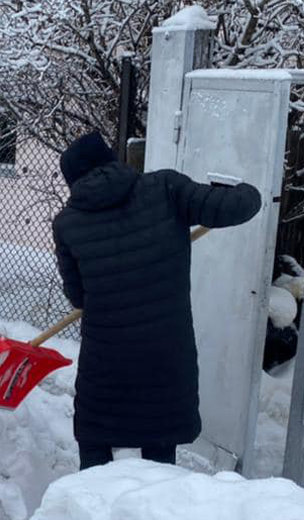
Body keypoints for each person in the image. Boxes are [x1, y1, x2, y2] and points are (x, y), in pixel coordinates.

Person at [52, 131, 262, 470]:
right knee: (159, 438)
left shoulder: (68, 223)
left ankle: (88, 512)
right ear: (111, 159)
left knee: (96, 438)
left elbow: (78, 295)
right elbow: (237, 208)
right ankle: (157, 514)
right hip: (164, 351)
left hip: (106, 354)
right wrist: (248, 190)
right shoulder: (165, 189)